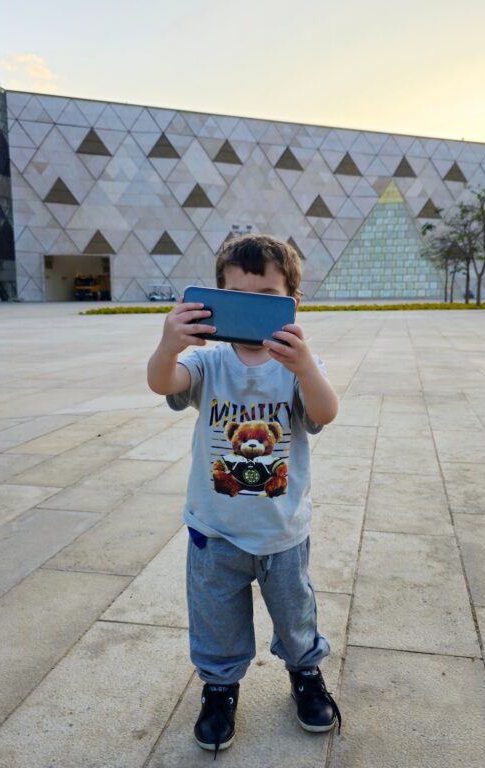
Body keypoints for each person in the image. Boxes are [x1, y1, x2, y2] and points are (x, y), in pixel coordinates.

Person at [146, 234, 342, 756]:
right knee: (215, 619)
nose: (252, 310)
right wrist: (169, 345)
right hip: (215, 531)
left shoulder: (300, 365)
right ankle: (219, 688)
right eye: (238, 295)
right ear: (217, 299)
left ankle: (305, 674)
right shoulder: (208, 364)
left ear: (291, 304)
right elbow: (162, 382)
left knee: (295, 615)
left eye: (267, 297)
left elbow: (324, 413)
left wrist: (305, 368)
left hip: (281, 532)